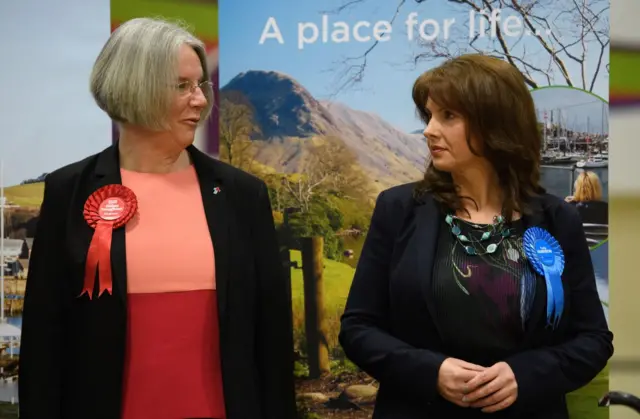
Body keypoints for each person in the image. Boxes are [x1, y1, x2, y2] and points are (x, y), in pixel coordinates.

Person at [18, 17, 297, 419]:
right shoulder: (69, 190)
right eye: (182, 86)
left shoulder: (241, 194)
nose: (201, 100)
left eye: (201, 84)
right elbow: (45, 342)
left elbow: (270, 340)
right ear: (135, 88)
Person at [339, 54, 613, 419]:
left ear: (496, 124)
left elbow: (593, 339)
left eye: (448, 116)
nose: (429, 130)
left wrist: (526, 375)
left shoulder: (556, 217)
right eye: (429, 115)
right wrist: (431, 372)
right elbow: (358, 328)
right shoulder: (398, 208)